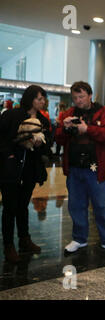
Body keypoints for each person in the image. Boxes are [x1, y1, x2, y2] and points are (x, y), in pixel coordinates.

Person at [55, 81, 105, 255]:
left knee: (101, 205)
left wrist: (87, 129)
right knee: (76, 205)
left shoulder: (104, 111)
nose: (79, 100)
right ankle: (79, 238)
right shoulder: (69, 113)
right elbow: (59, 139)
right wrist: (65, 128)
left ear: (90, 95)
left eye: (82, 96)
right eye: (75, 97)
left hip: (96, 168)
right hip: (75, 167)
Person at [0, 85, 50, 263]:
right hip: (10, 168)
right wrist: (9, 154)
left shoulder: (43, 121)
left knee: (22, 206)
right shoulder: (11, 115)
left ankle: (24, 239)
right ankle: (8, 245)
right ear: (30, 99)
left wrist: (39, 145)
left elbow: (47, 145)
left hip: (29, 170)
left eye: (43, 99)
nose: (42, 102)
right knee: (9, 208)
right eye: (39, 99)